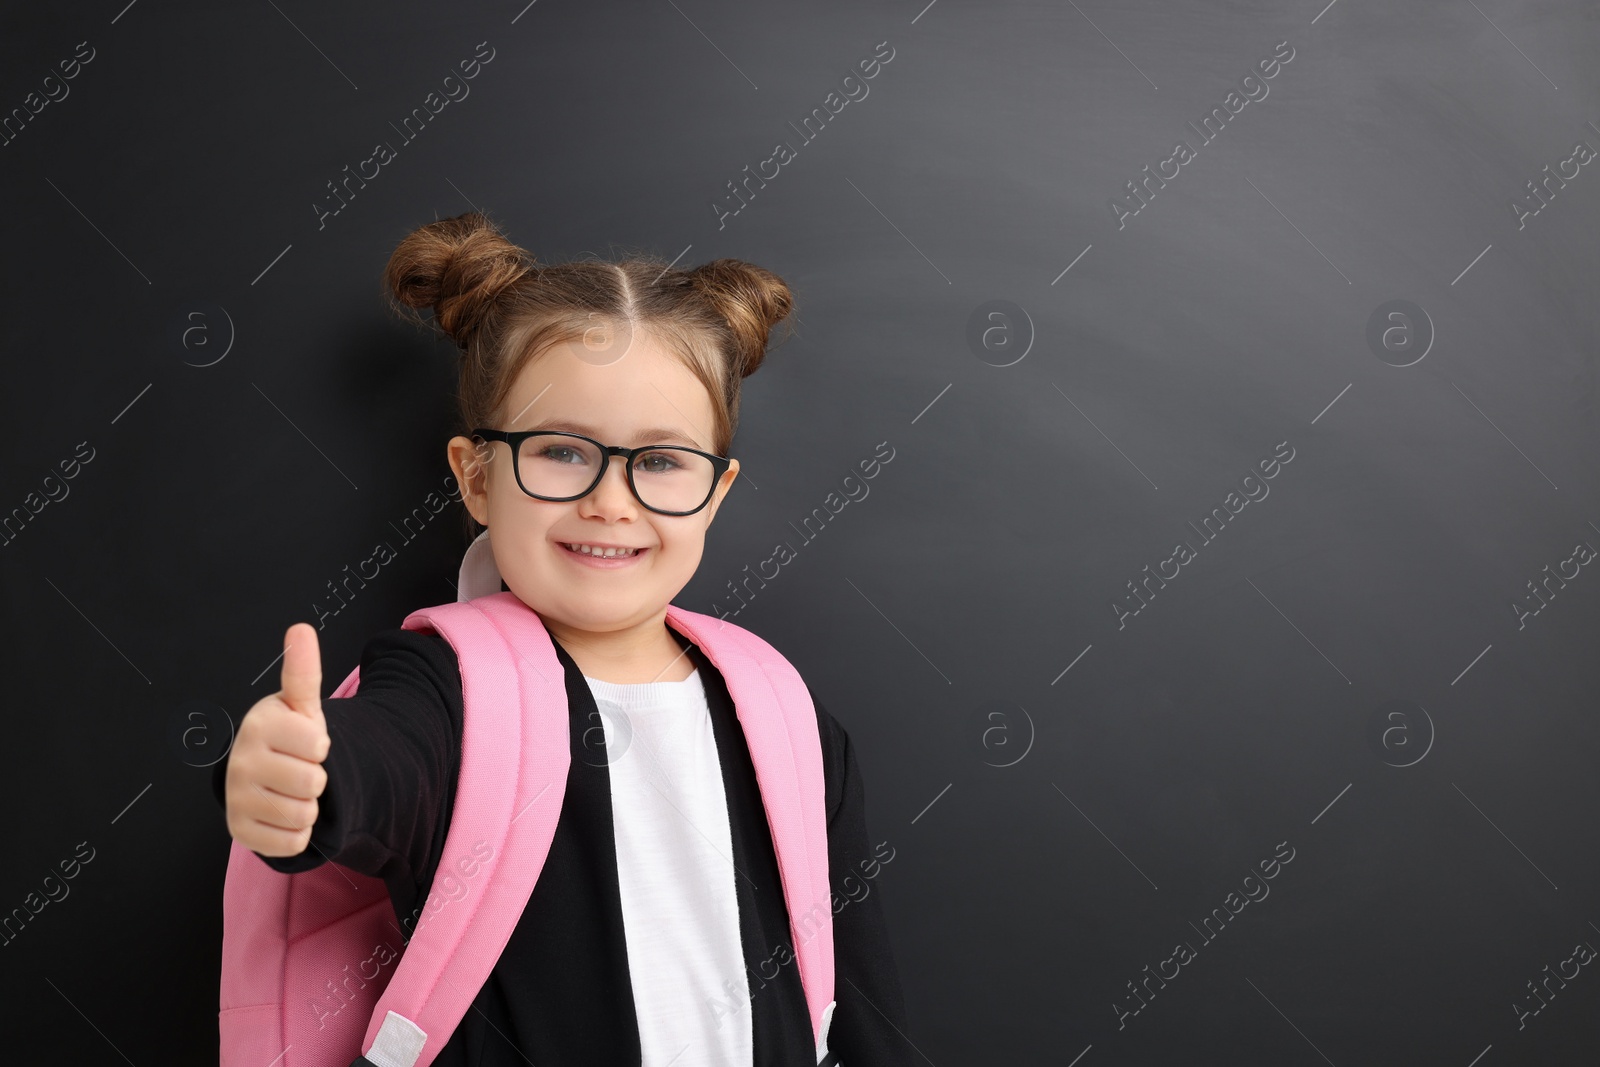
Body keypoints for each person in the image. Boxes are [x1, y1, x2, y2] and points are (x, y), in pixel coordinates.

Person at [212, 212, 914, 1066]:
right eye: (560, 451)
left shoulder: (782, 713)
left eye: (660, 462)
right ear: (476, 477)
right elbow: (379, 764)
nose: (612, 502)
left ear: (716, 493)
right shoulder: (446, 686)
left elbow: (860, 989)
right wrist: (304, 779)